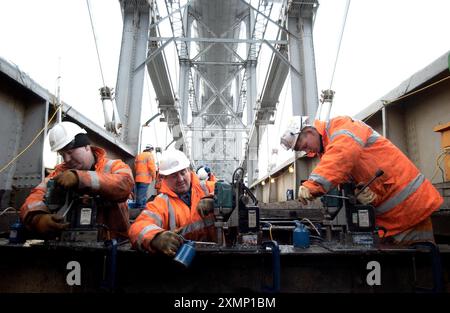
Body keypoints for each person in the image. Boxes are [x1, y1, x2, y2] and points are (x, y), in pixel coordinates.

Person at [280, 116, 443, 245]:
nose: (307, 151)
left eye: (304, 145)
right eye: (302, 150)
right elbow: (362, 175)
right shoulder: (328, 149)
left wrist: (313, 185)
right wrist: (368, 195)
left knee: (423, 267)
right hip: (392, 219)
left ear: (309, 131)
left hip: (412, 207)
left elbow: (342, 154)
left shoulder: (340, 126)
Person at [20, 121, 134, 240]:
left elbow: (125, 184)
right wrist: (38, 219)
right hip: (71, 243)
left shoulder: (113, 166)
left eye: (70, 152)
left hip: (112, 244)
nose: (67, 159)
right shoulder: (59, 174)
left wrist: (80, 178)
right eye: (62, 154)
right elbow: (34, 198)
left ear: (86, 146)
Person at [128, 149, 215, 256]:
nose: (180, 179)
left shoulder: (206, 188)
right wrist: (156, 238)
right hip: (183, 260)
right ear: (164, 178)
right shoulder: (161, 202)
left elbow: (231, 191)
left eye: (183, 172)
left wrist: (214, 199)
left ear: (189, 170)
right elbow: (138, 227)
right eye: (174, 176)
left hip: (216, 256)